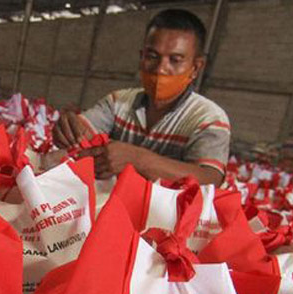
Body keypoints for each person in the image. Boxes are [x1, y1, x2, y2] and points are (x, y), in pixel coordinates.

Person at [53, 9, 231, 186]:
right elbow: (83, 131)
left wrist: (139, 160)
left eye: (175, 60)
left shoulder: (208, 118)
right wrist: (68, 130)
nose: (161, 69)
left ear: (196, 67)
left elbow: (210, 178)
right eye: (152, 56)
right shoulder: (117, 102)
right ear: (141, 57)